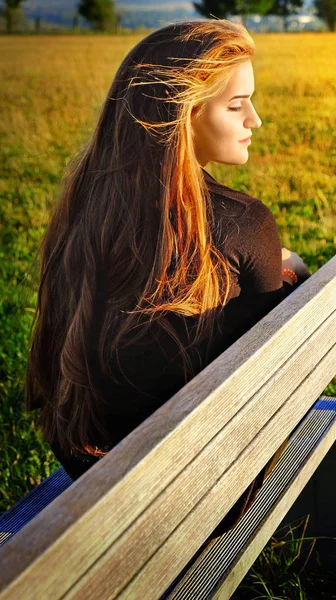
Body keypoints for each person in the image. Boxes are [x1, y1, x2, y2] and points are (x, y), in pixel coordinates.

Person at [25, 19, 310, 537]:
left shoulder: (86, 208)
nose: (256, 118)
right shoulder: (245, 223)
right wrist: (296, 270)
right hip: (212, 498)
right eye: (235, 104)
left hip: (95, 472)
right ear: (184, 114)